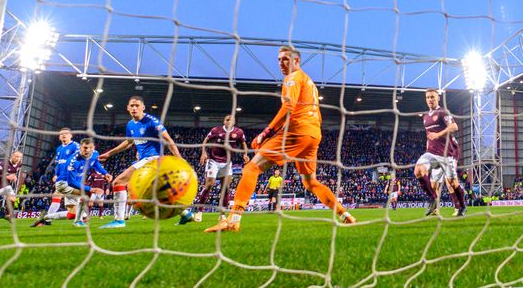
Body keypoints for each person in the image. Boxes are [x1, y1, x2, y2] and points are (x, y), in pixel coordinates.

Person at [205, 46, 355, 233]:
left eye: (285, 59)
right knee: (310, 182)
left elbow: (289, 107)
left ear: (296, 61)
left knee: (252, 167)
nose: (281, 63)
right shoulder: (308, 81)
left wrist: (266, 132)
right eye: (279, 59)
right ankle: (345, 215)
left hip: (298, 131)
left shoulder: (292, 78)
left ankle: (233, 220)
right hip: (313, 134)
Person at [98, 95, 182, 228]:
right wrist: (109, 153)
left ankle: (119, 220)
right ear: (127, 108)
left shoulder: (152, 121)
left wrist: (179, 159)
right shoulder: (130, 125)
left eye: (137, 105)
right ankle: (185, 214)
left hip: (154, 159)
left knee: (119, 182)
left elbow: (169, 140)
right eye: (132, 105)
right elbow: (128, 143)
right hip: (144, 160)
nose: (134, 108)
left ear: (143, 107)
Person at [179, 114, 249, 225]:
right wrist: (203, 152)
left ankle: (222, 215)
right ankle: (199, 211)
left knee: (225, 188)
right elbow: (205, 141)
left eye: (231, 120)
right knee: (209, 184)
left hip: (227, 163)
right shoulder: (216, 130)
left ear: (234, 122)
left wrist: (245, 154)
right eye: (227, 120)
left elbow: (243, 143)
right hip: (213, 161)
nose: (229, 121)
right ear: (224, 121)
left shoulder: (238, 132)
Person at [413, 89, 467, 217]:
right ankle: (433, 203)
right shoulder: (426, 117)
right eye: (427, 97)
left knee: (451, 183)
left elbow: (454, 127)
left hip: (448, 153)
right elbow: (428, 136)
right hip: (432, 153)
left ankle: (461, 207)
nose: (430, 99)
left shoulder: (443, 112)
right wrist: (428, 150)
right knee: (420, 172)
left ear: (438, 98)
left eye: (432, 97)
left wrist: (438, 134)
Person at [33, 139, 109, 227]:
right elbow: (71, 182)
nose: (87, 150)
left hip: (75, 184)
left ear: (94, 148)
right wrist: (91, 189)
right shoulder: (73, 161)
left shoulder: (95, 154)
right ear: (80, 148)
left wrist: (105, 173)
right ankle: (77, 222)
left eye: (90, 148)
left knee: (73, 214)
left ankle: (45, 218)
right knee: (86, 194)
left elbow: (95, 163)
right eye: (85, 148)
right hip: (64, 184)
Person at [45, 128, 80, 225]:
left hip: (72, 177)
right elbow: (58, 164)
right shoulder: (59, 149)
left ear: (71, 135)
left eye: (66, 134)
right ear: (59, 137)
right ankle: (48, 219)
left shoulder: (75, 146)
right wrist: (56, 174)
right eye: (61, 134)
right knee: (57, 196)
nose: (64, 135)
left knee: (71, 203)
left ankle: (82, 216)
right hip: (61, 177)